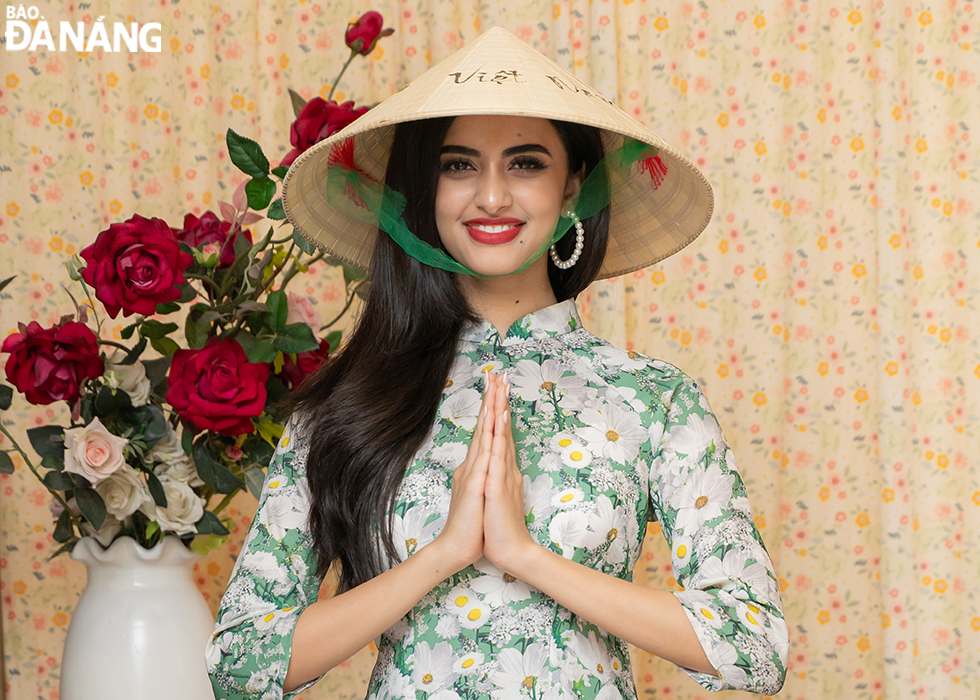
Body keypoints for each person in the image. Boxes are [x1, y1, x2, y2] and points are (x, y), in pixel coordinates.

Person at [206, 28, 788, 700]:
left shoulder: (651, 399)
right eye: (458, 165)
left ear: (571, 185)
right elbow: (240, 666)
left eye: (524, 164)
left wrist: (526, 557)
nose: (490, 197)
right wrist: (441, 557)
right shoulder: (349, 401)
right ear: (422, 191)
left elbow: (755, 646)